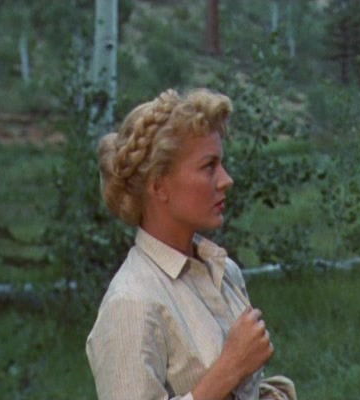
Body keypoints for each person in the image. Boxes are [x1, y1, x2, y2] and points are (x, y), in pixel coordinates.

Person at [86, 88, 296, 400]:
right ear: (158, 186)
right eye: (209, 166)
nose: (226, 180)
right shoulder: (131, 304)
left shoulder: (224, 271)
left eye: (221, 164)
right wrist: (229, 368)